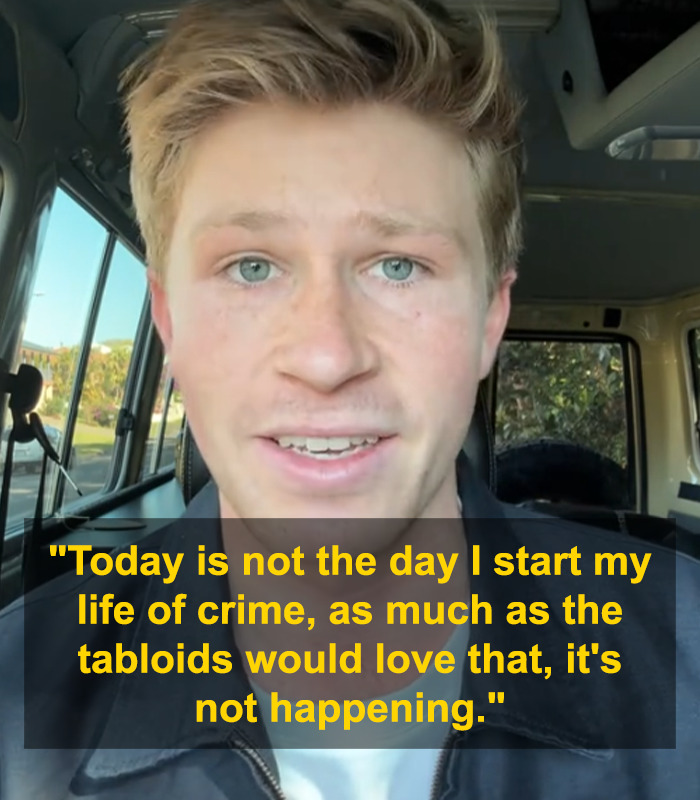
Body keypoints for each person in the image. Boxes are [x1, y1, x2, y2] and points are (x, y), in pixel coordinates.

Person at [0, 0, 698, 798]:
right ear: (169, 321)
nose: (328, 358)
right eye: (252, 267)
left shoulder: (688, 658)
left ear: (489, 319)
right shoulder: (15, 711)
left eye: (398, 266)